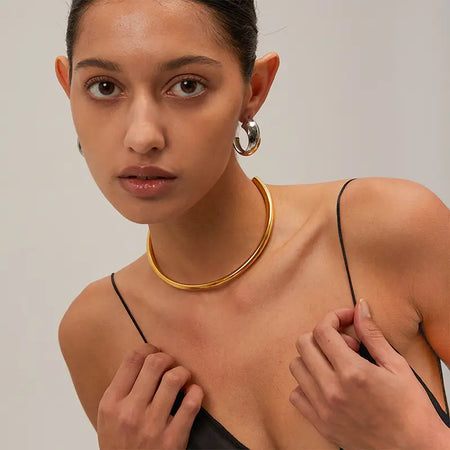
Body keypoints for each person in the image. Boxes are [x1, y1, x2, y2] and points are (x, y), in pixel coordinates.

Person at [55, 0, 449, 448]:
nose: (142, 136)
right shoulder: (96, 330)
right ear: (68, 88)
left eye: (187, 85)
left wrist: (419, 439)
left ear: (254, 89)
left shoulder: (392, 230)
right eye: (105, 87)